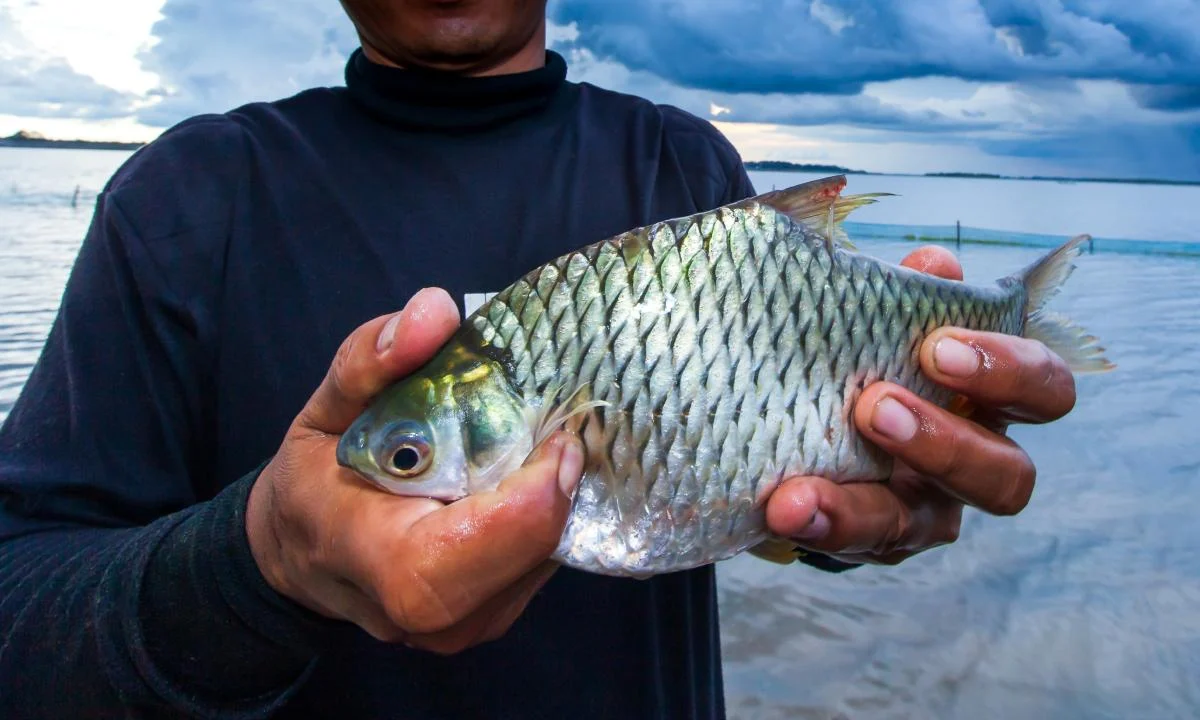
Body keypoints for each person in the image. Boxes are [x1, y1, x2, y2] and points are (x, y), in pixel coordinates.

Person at [0, 1, 1077, 717]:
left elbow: (765, 464)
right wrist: (264, 562)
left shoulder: (682, 162)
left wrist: (876, 492)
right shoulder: (184, 198)